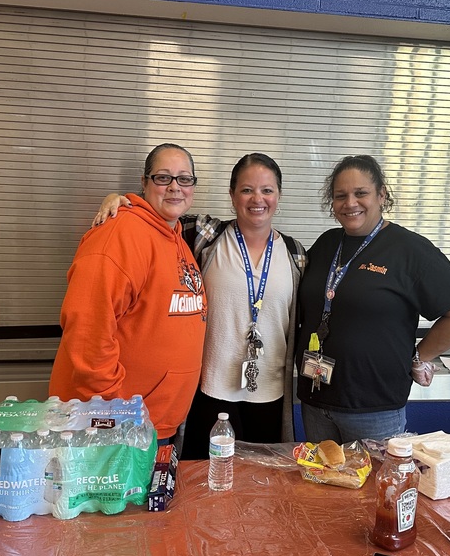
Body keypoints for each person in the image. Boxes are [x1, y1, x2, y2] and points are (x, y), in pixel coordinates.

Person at [295, 154, 450, 556]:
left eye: (360, 194)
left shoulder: (409, 250)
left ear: (381, 196)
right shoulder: (326, 245)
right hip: (316, 402)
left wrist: (421, 353)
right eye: (340, 195)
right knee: (326, 505)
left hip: (374, 408)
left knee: (380, 513)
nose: (350, 203)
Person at [49, 142, 206, 556]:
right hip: (114, 430)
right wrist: (118, 420)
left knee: (134, 541)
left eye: (185, 178)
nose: (175, 186)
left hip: (152, 426)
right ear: (144, 183)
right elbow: (89, 336)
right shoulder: (121, 233)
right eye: (163, 177)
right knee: (111, 545)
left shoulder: (175, 236)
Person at [95, 153, 306, 459]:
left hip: (270, 393)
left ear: (279, 195)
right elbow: (159, 215)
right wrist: (119, 200)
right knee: (205, 479)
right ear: (232, 195)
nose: (257, 199)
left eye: (267, 190)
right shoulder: (205, 236)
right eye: (247, 189)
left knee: (263, 485)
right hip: (210, 389)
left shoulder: (295, 254)